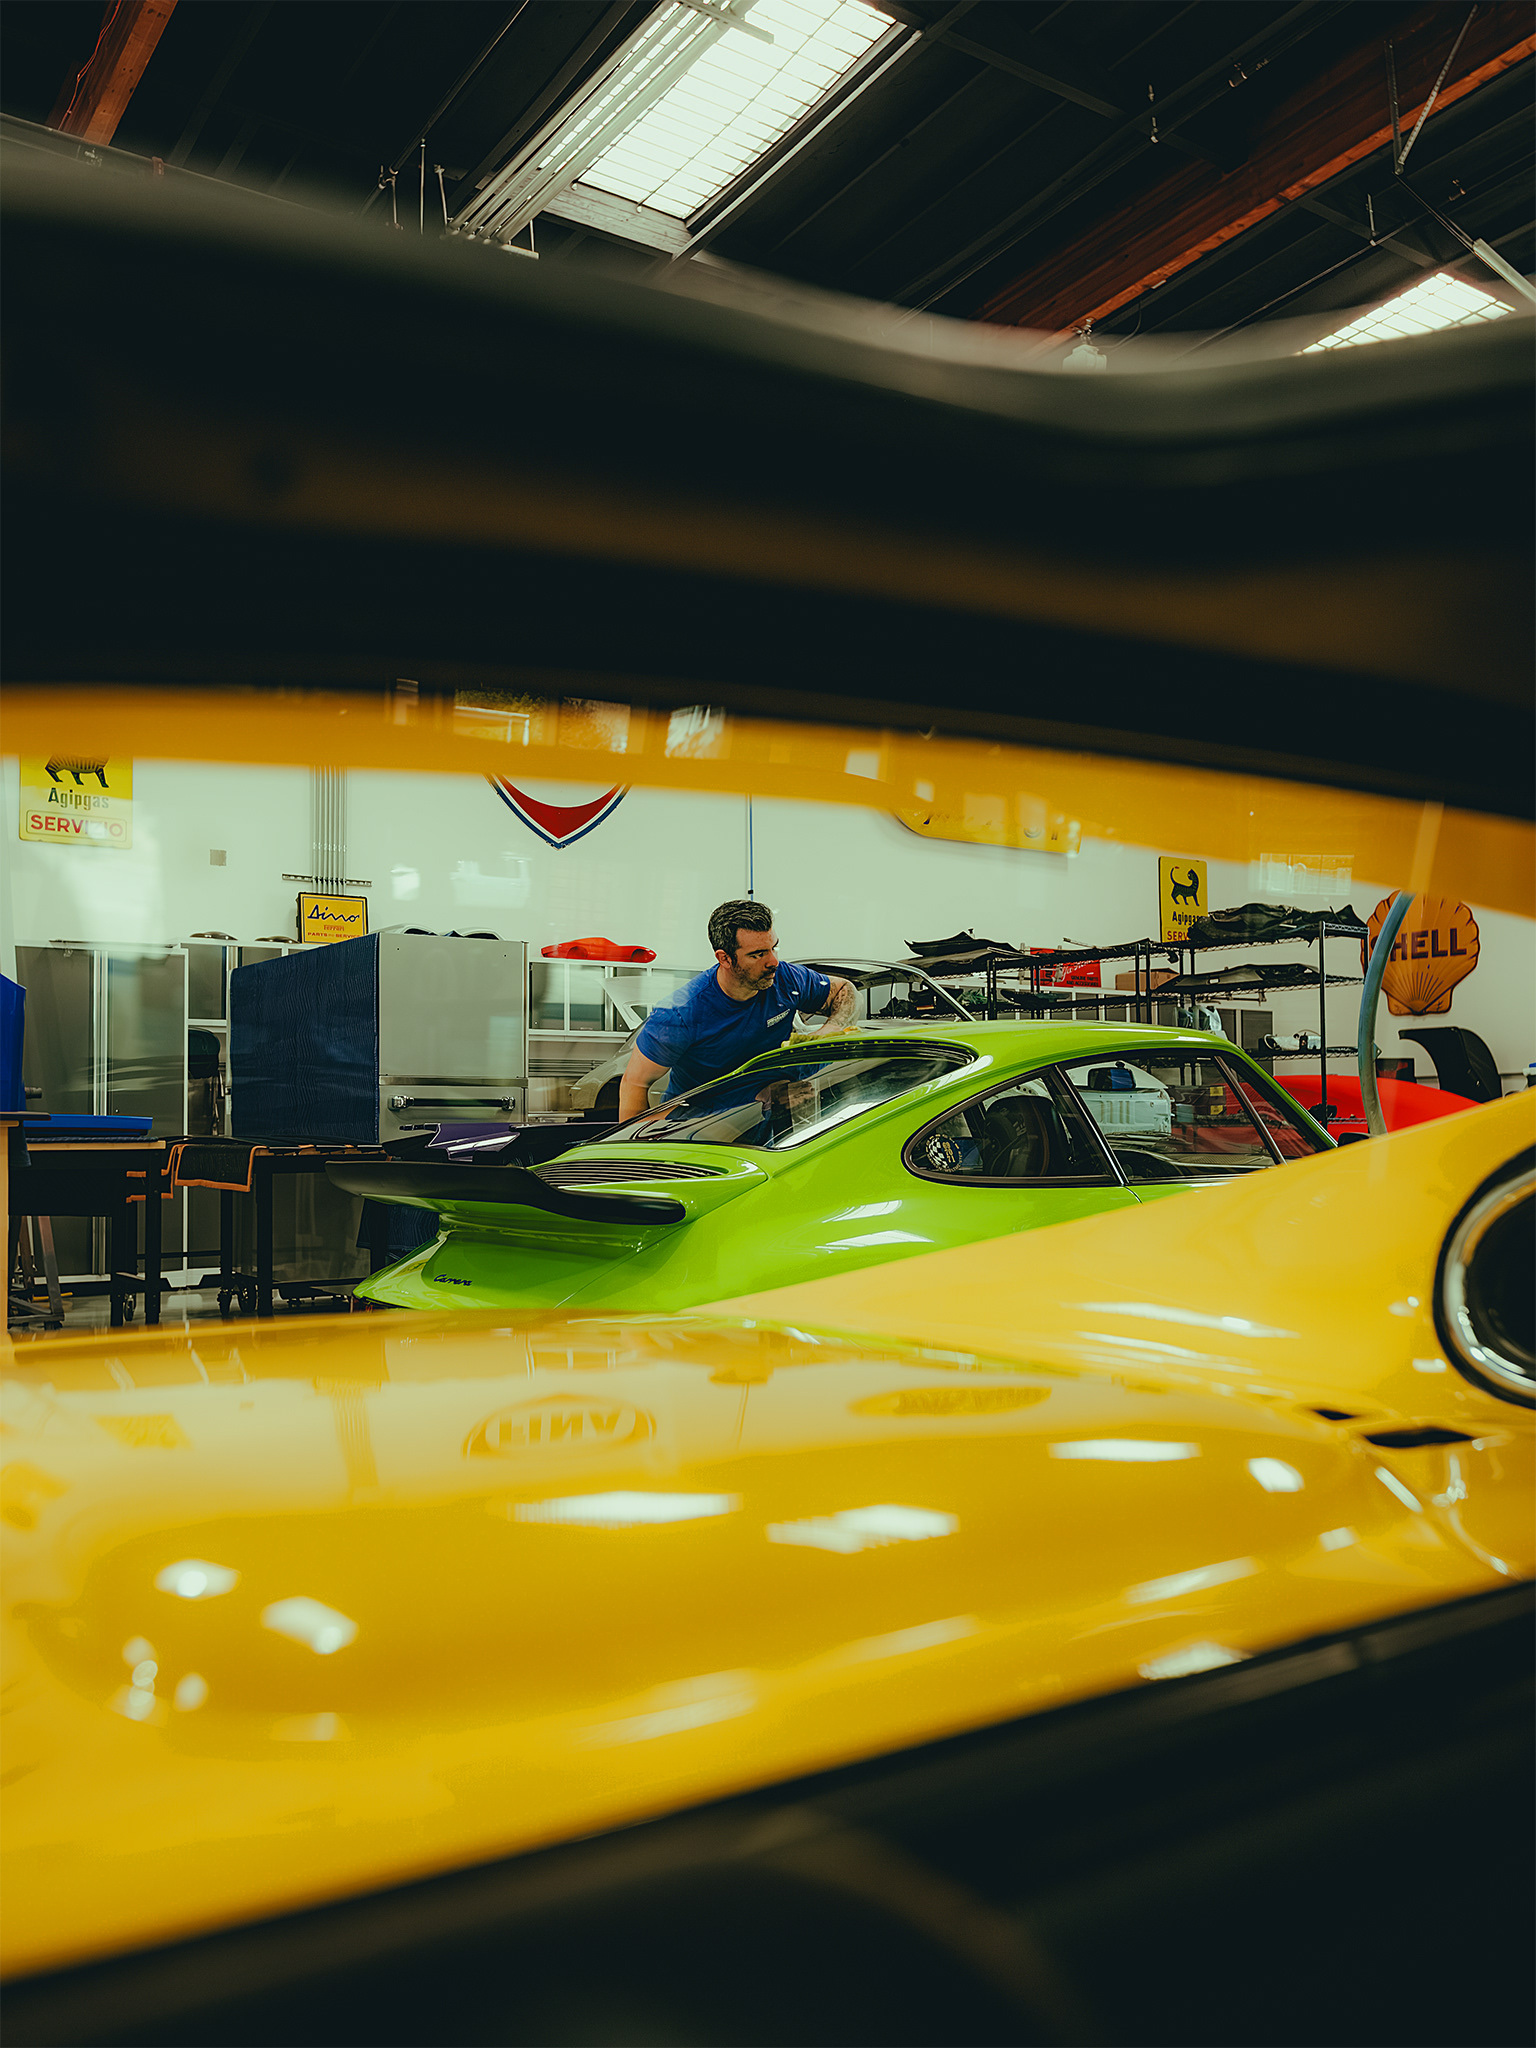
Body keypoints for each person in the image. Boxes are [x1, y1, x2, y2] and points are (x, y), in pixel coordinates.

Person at [617, 900, 856, 1119]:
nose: (773, 962)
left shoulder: (786, 979)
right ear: (725, 958)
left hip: (770, 1117)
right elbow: (634, 1084)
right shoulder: (681, 1013)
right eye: (758, 954)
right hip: (704, 1127)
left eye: (774, 948)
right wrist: (630, 1147)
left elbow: (846, 991)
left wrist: (831, 1029)